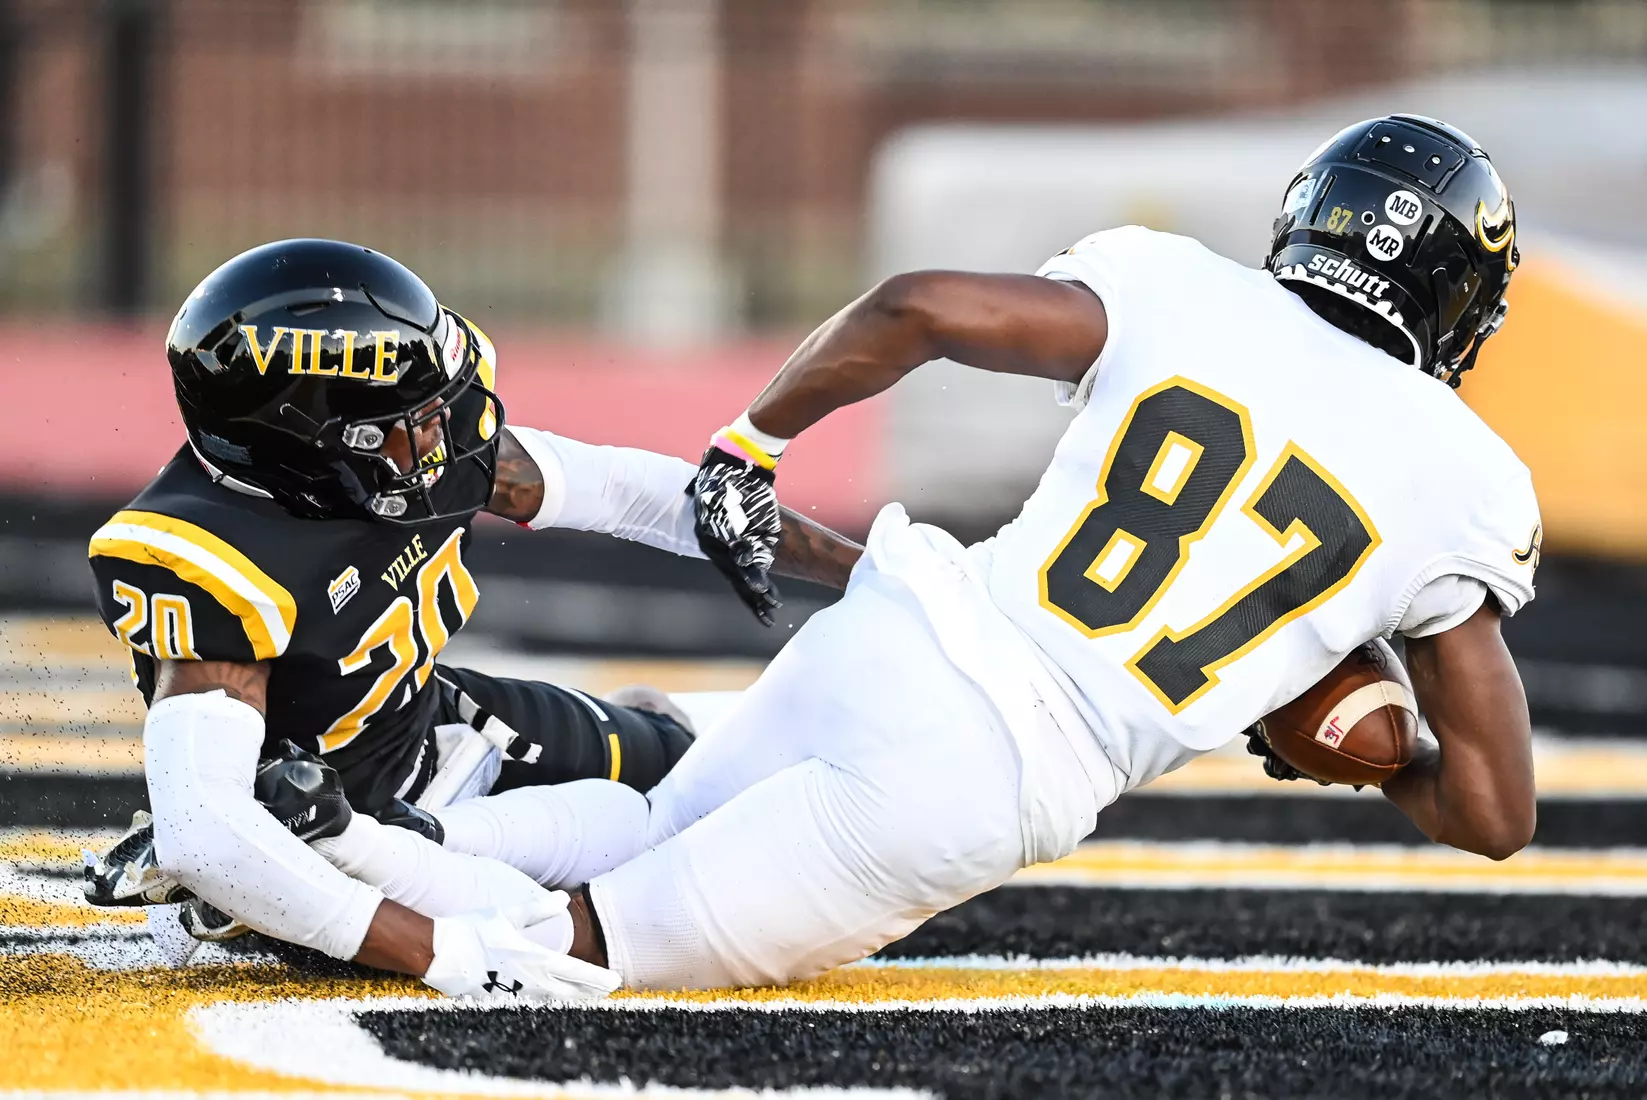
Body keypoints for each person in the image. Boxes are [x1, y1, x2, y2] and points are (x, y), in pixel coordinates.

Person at [270, 114, 1541, 997]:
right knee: (580, 949)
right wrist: (1375, 755)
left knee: (647, 826)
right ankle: (312, 870)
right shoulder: (1468, 484)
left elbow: (913, 306)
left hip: (904, 628)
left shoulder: (1178, 285)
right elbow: (1495, 816)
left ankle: (351, 834)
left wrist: (751, 444)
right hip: (993, 772)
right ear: (1459, 294)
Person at [81, 239, 862, 995]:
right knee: (609, 923)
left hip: (436, 725)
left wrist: (869, 571)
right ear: (310, 444)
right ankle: (257, 906)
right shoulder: (212, 556)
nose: (443, 432)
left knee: (684, 767)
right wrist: (435, 952)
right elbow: (205, 831)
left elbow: (631, 495)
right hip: (329, 824)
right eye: (412, 420)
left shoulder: (412, 456)